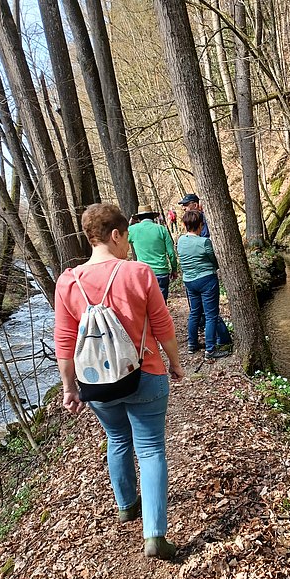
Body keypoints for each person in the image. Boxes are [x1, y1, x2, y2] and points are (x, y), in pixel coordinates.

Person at [54, 203, 185, 560]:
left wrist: (70, 388)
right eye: (126, 237)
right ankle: (155, 535)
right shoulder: (138, 273)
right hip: (145, 375)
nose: (128, 245)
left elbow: (65, 344)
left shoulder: (68, 282)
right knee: (152, 449)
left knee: (116, 438)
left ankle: (127, 505)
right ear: (115, 235)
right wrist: (174, 363)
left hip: (96, 384)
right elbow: (163, 327)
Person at [177, 209, 232, 359]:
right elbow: (214, 261)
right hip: (206, 280)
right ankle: (210, 350)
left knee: (195, 313)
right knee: (211, 315)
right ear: (200, 225)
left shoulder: (181, 241)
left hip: (189, 281)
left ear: (185, 224)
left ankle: (192, 344)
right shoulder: (204, 242)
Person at [128, 205, 177, 301]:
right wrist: (174, 269)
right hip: (161, 272)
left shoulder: (133, 230)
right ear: (152, 217)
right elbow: (171, 253)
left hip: (142, 273)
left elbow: (123, 240)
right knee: (161, 305)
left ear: (138, 218)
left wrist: (130, 225)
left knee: (145, 305)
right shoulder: (161, 229)